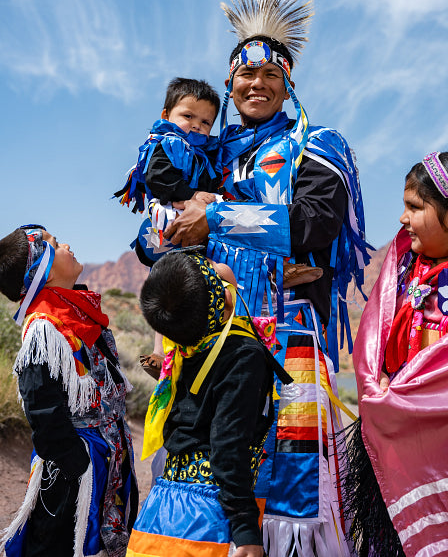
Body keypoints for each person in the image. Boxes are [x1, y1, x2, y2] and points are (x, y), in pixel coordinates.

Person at [160, 0, 372, 557]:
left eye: (270, 75)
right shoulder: (206, 151)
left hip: (287, 339)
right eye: (246, 75)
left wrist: (217, 218)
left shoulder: (319, 144)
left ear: (287, 84)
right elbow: (159, 234)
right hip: (211, 337)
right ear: (229, 84)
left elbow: (314, 223)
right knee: (202, 468)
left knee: (289, 491)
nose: (257, 83)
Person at [349, 151, 448, 556]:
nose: (402, 218)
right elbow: (377, 344)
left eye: (414, 207)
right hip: (398, 452)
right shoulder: (401, 273)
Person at [126, 248, 277, 557]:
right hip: (208, 518)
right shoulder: (242, 355)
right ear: (220, 301)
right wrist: (246, 528)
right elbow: (227, 444)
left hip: (161, 511)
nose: (220, 264)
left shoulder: (187, 350)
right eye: (211, 267)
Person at [0, 224, 138, 557]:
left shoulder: (78, 315)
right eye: (55, 244)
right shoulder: (45, 330)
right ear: (42, 270)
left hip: (103, 461)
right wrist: (77, 465)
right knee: (61, 544)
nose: (67, 245)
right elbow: (43, 411)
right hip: (72, 476)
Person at [114, 77, 222, 376]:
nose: (196, 125)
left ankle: (180, 349)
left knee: (186, 283)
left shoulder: (203, 155)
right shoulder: (165, 143)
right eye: (188, 116)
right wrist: (191, 197)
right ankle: (161, 351)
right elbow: (157, 179)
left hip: (191, 232)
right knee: (170, 286)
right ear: (167, 115)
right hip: (168, 226)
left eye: (205, 121)